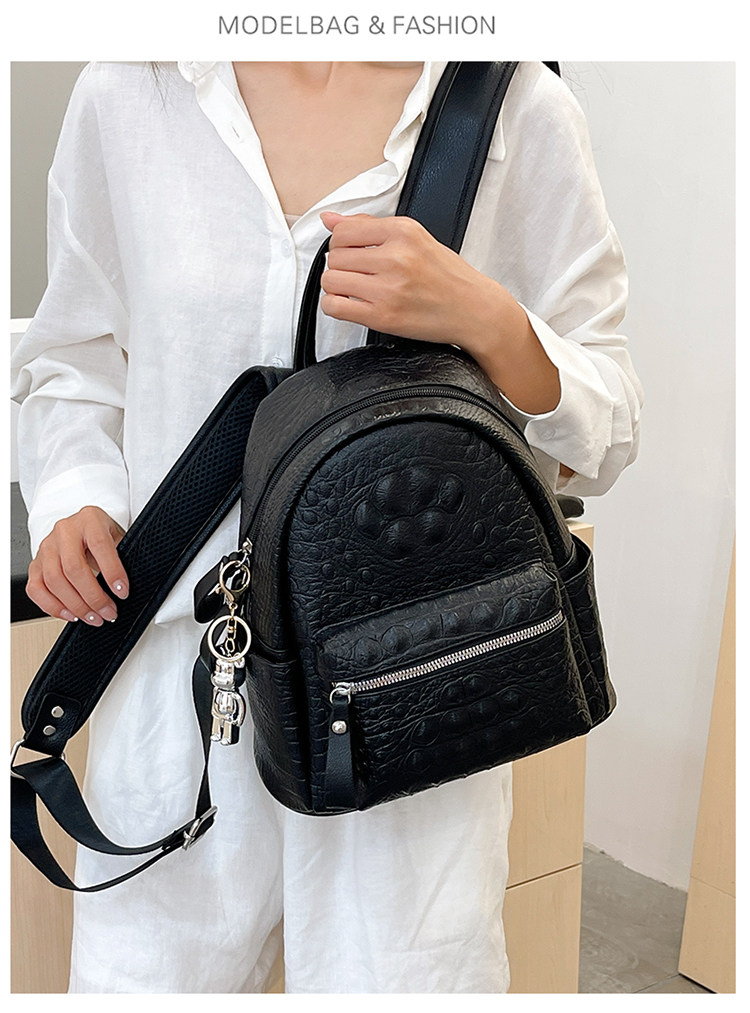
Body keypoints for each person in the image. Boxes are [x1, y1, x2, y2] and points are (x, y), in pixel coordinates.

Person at [11, 61, 644, 994]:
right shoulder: (133, 90)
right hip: (181, 691)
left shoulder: (512, 108)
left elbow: (609, 425)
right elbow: (76, 354)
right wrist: (74, 494)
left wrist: (489, 320)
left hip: (405, 691)